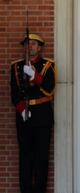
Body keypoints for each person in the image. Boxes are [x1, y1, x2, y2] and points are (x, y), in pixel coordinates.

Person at [10, 33, 56, 193]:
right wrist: (22, 109)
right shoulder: (16, 66)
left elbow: (49, 88)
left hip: (42, 116)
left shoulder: (48, 65)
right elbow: (14, 93)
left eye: (34, 44)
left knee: (41, 158)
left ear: (40, 47)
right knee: (25, 157)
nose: (30, 47)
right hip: (24, 116)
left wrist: (34, 75)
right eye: (27, 44)